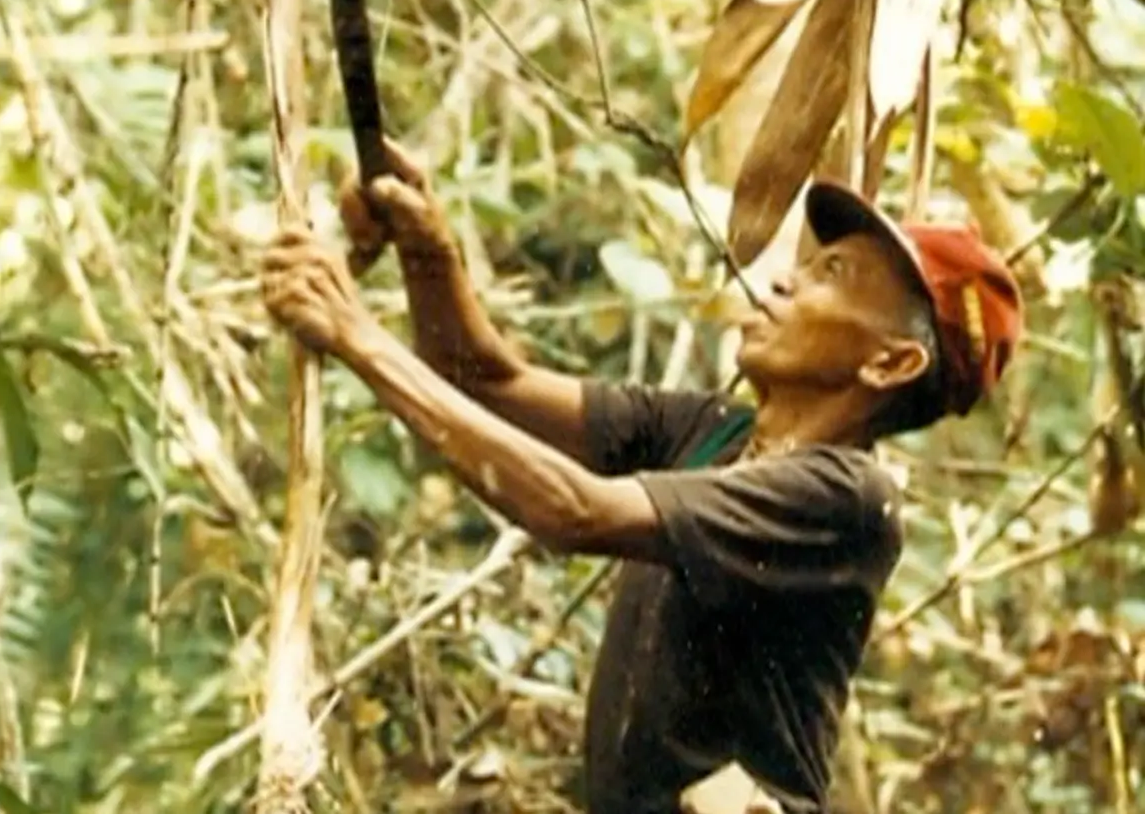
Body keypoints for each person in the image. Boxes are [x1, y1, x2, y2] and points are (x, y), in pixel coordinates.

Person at [260, 138, 1023, 814]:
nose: (783, 283)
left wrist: (354, 333)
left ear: (889, 362)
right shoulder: (711, 433)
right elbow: (486, 381)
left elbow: (572, 510)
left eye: (831, 274)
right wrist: (427, 248)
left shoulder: (846, 498)